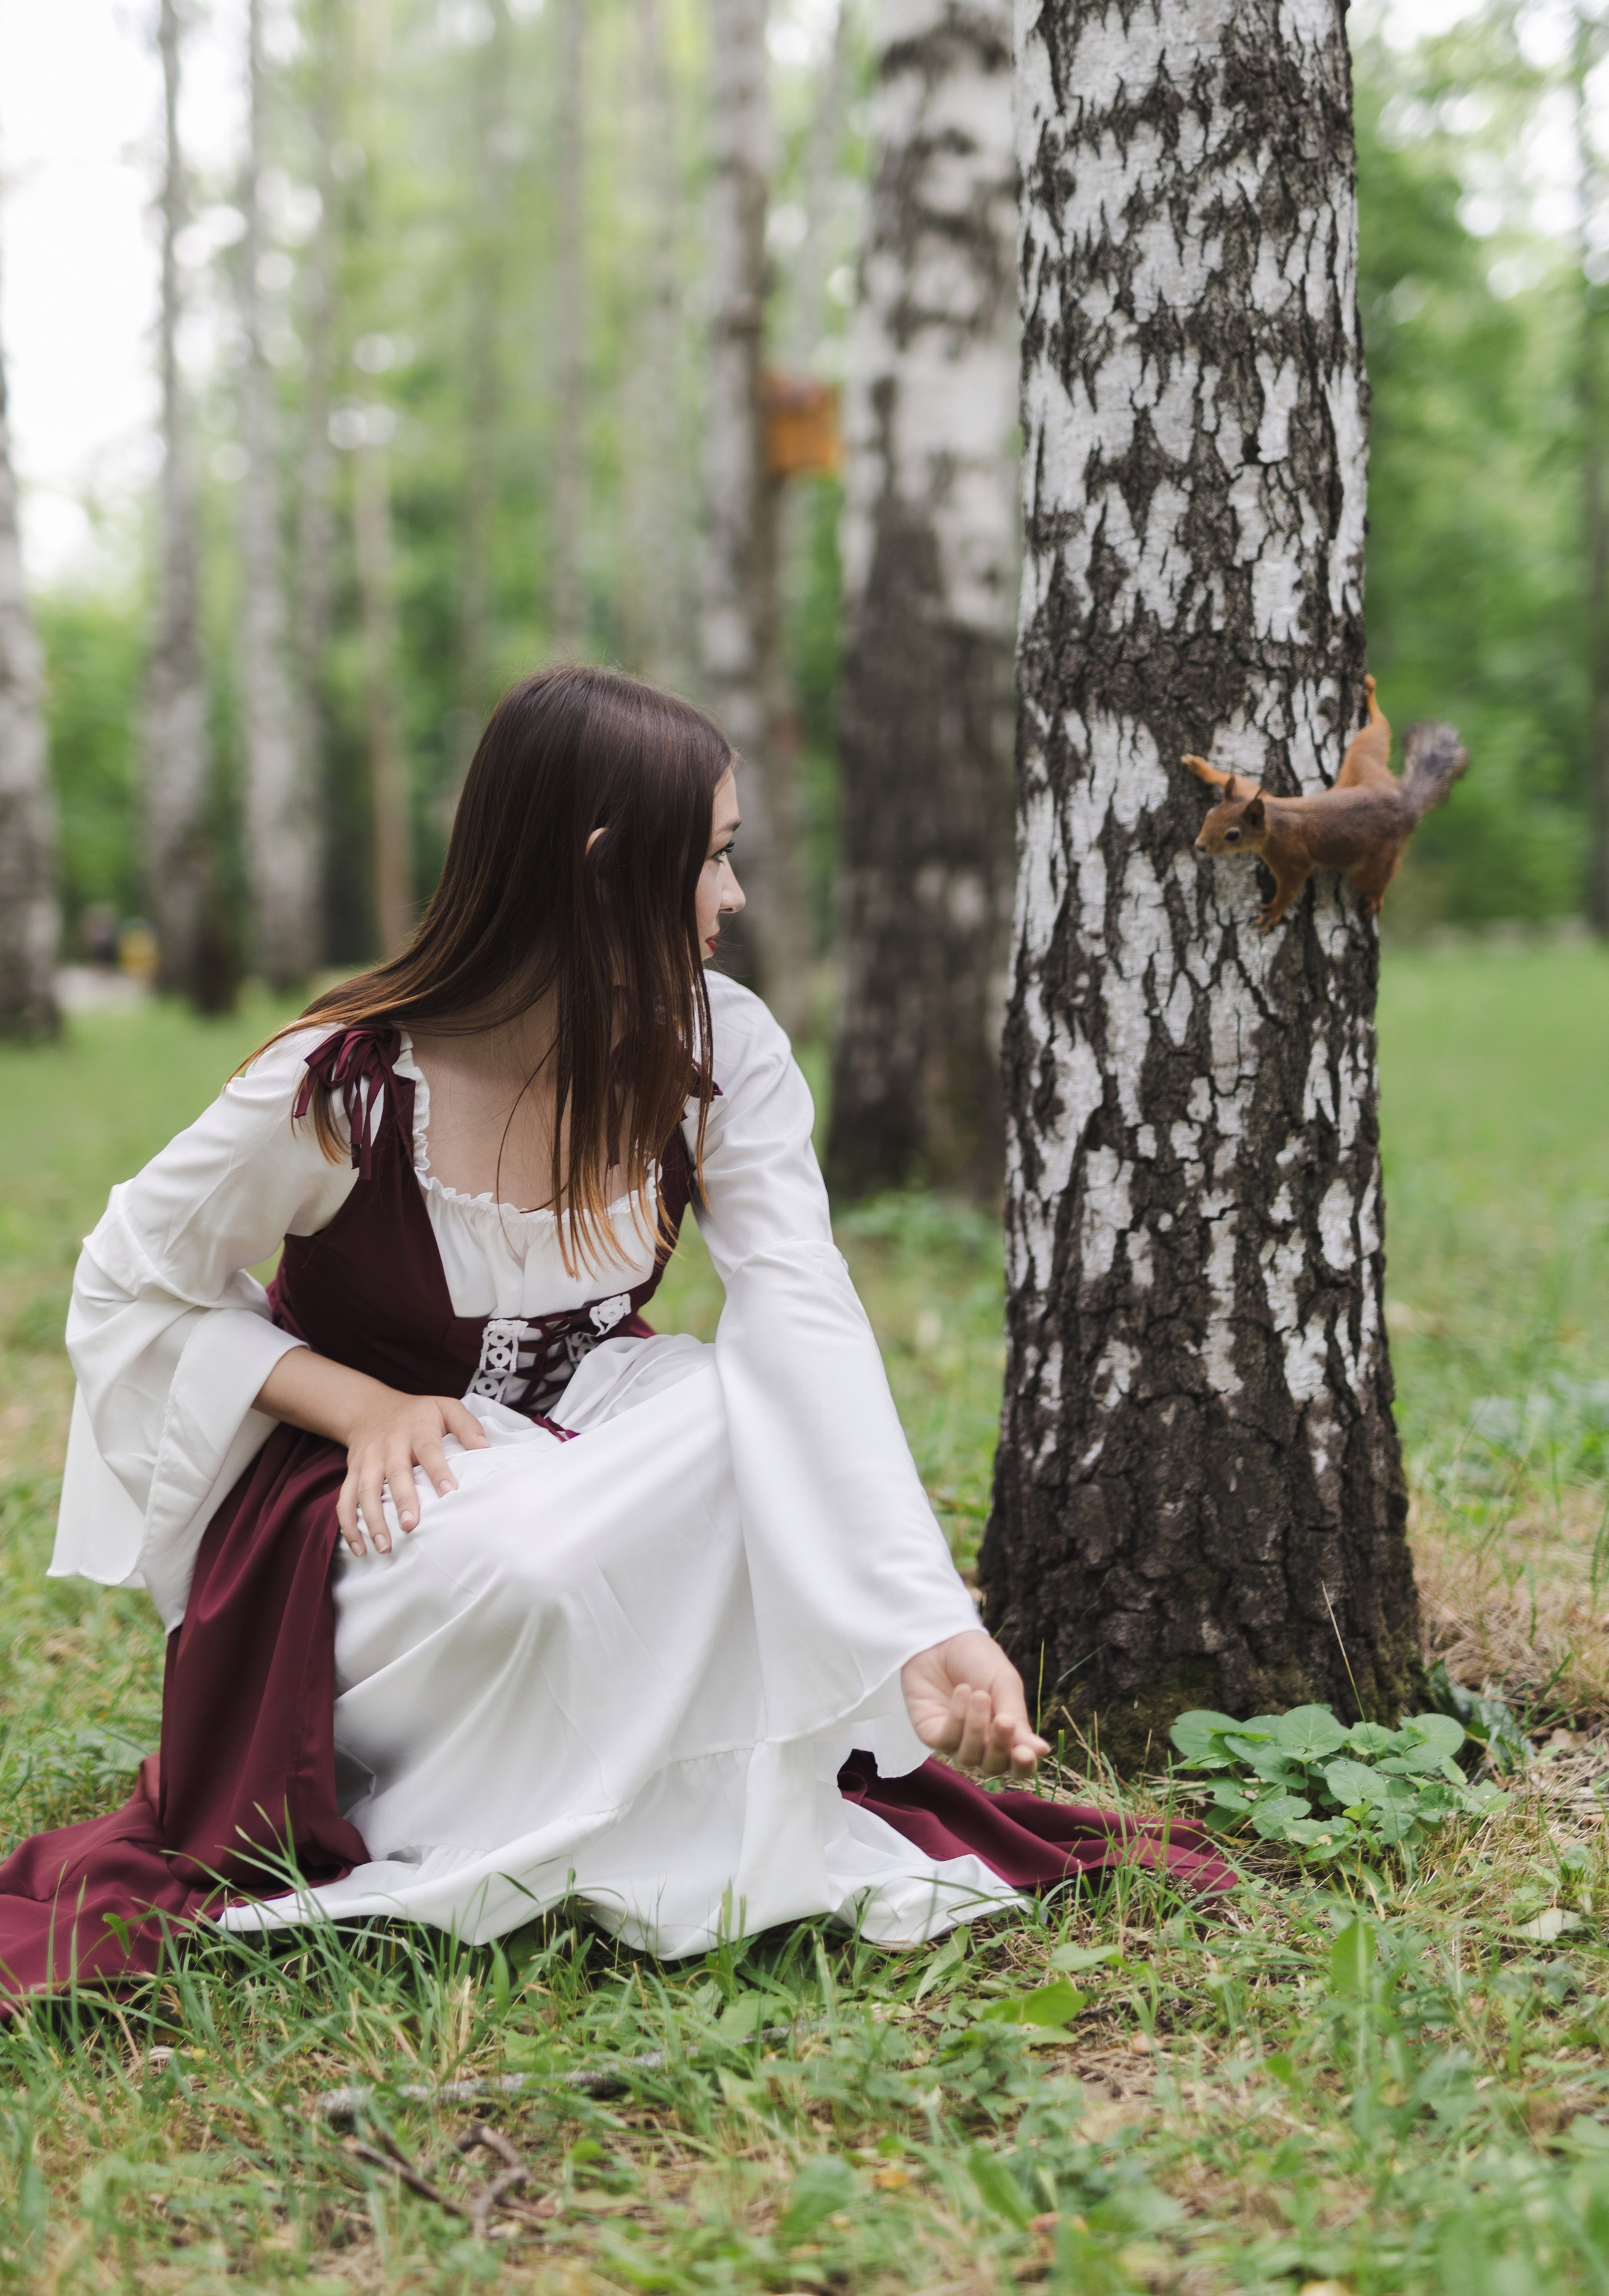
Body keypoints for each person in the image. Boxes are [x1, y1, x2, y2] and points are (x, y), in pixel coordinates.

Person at [0, 667, 1229, 2003]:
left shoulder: (717, 1049)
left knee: (728, 1413)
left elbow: (800, 1317)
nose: (732, 897)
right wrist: (354, 1403)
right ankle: (517, 1804)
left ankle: (706, 1808)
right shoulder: (344, 1081)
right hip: (366, 1501)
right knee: (546, 1553)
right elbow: (127, 1281)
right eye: (710, 858)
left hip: (588, 1427)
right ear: (601, 865)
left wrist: (920, 1618)